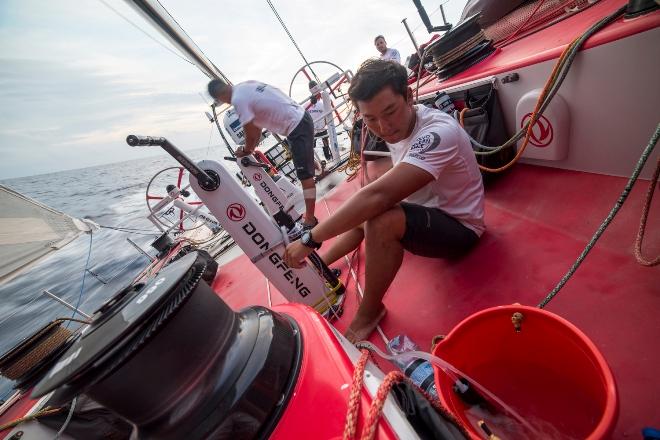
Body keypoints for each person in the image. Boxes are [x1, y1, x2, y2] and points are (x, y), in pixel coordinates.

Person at [283, 59, 485, 342]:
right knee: (362, 210)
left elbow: (378, 196)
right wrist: (313, 254)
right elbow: (366, 203)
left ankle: (369, 312)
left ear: (409, 96)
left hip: (461, 229)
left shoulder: (438, 133)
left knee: (379, 216)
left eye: (390, 111)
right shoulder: (392, 124)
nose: (384, 126)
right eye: (370, 118)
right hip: (425, 214)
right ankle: (321, 267)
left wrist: (308, 239)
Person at [208, 78, 318, 228]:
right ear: (226, 85)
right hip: (299, 118)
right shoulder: (246, 85)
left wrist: (246, 150)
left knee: (304, 175)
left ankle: (310, 219)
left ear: (219, 98)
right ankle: (313, 165)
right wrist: (250, 147)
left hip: (295, 125)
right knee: (304, 164)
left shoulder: (238, 100)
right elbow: (256, 127)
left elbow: (252, 134)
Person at [307, 80, 332, 161]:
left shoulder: (307, 104)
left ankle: (314, 160)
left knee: (312, 145)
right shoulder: (323, 103)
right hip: (320, 127)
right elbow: (327, 113)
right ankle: (327, 157)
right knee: (324, 140)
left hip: (312, 129)